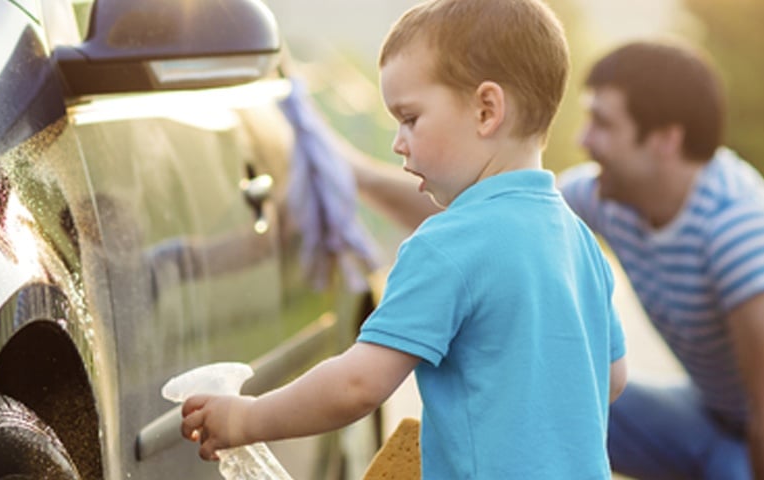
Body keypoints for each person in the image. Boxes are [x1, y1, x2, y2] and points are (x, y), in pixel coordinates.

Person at [347, 40, 764, 479]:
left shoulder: (740, 230)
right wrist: (354, 174)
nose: (583, 140)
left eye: (602, 123)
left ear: (666, 139)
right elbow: (485, 214)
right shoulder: (611, 194)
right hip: (709, 416)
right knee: (551, 386)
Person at [179, 1, 628, 478]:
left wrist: (247, 417)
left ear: (486, 109)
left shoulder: (450, 243)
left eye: (410, 118)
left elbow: (357, 384)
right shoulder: (576, 238)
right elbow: (613, 379)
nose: (398, 142)